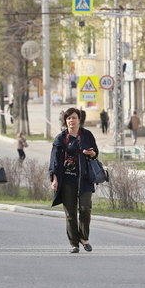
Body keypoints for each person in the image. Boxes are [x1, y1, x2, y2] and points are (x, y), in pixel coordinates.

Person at [49, 107, 100, 254]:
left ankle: (84, 238)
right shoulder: (60, 138)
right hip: (67, 180)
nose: (71, 120)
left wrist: (92, 153)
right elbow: (54, 161)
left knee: (85, 209)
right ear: (66, 121)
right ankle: (74, 243)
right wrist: (54, 179)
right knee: (70, 213)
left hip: (84, 179)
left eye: (74, 118)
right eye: (69, 118)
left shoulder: (87, 135)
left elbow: (95, 152)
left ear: (79, 119)